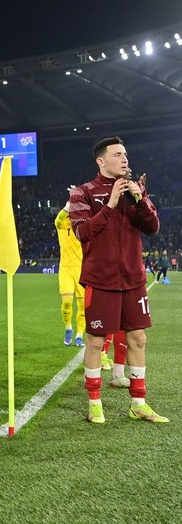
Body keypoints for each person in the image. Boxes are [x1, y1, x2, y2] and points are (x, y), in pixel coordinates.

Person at [69, 136, 167, 423]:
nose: (125, 159)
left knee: (138, 338)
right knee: (96, 341)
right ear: (101, 161)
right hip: (101, 280)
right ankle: (94, 403)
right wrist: (110, 204)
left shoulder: (135, 190)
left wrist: (141, 200)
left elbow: (153, 227)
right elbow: (82, 233)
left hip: (134, 279)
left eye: (126, 153)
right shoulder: (82, 193)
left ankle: (138, 403)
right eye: (118, 154)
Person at [54, 202, 86, 347]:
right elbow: (58, 219)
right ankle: (68, 328)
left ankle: (79, 335)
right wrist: (68, 205)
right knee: (67, 302)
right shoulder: (62, 225)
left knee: (82, 305)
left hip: (81, 268)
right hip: (66, 268)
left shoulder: (82, 226)